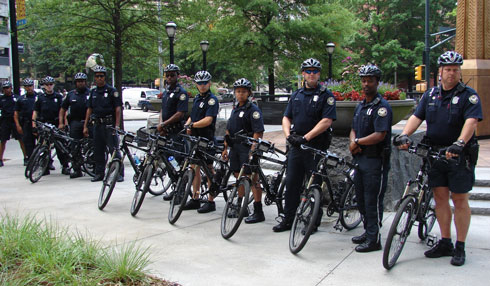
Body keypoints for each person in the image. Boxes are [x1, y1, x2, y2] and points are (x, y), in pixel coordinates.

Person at [394, 51, 482, 266]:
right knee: (440, 198)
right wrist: (404, 134)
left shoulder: (468, 96)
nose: (452, 73)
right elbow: (417, 116)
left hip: (458, 156)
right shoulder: (431, 95)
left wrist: (459, 144)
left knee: (459, 200)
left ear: (459, 72)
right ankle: (445, 242)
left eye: (455, 69)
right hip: (434, 153)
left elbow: (471, 121)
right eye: (448, 69)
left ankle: (460, 246)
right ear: (440, 72)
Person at [275, 58, 336, 232]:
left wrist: (306, 138)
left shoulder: (326, 95)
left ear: (319, 74)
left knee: (314, 185)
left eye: (315, 71)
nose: (311, 74)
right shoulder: (296, 95)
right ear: (303, 73)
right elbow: (287, 117)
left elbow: (327, 121)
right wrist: (289, 136)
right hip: (296, 146)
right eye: (308, 71)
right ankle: (288, 219)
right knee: (292, 184)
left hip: (315, 147)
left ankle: (312, 222)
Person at [349, 64, 392, 252]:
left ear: (377, 82)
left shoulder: (382, 107)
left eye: (370, 81)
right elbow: (353, 128)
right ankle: (368, 232)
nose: (366, 84)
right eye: (364, 80)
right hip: (360, 159)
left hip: (375, 160)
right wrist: (353, 142)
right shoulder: (361, 105)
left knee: (371, 200)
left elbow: (380, 134)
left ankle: (374, 239)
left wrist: (358, 141)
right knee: (360, 199)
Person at [221, 78, 265, 223]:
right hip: (235, 147)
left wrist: (253, 151)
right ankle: (241, 206)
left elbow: (258, 132)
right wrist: (225, 148)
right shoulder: (235, 110)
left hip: (248, 148)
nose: (240, 94)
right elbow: (228, 130)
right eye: (238, 91)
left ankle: (258, 211)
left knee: (252, 179)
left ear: (249, 93)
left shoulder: (253, 110)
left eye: (243, 92)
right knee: (238, 177)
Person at [183, 70, 219, 213]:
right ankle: (195, 197)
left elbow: (208, 120)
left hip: (206, 139)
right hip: (195, 139)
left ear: (209, 83)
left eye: (205, 83)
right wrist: (188, 124)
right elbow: (193, 116)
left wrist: (193, 125)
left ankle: (211, 201)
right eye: (199, 83)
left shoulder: (212, 100)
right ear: (196, 85)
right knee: (194, 168)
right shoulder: (197, 98)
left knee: (208, 169)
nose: (202, 86)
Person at [83, 65, 123, 182]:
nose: (99, 78)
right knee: (98, 151)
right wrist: (85, 125)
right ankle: (99, 173)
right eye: (97, 76)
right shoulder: (93, 92)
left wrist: (116, 125)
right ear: (94, 78)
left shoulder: (112, 91)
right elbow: (89, 109)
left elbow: (118, 109)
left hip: (109, 125)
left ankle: (119, 173)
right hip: (97, 125)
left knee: (114, 150)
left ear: (105, 77)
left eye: (101, 76)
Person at [157, 64, 189, 201]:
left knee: (178, 160)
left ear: (177, 76)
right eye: (167, 75)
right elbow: (162, 111)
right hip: (166, 132)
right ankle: (175, 186)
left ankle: (181, 191)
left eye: (172, 75)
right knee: (168, 159)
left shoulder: (181, 93)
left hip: (176, 132)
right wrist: (160, 124)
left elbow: (180, 113)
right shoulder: (166, 92)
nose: (169, 78)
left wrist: (164, 123)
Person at [32, 76, 69, 175]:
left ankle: (65, 166)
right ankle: (45, 166)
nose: (49, 86)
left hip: (56, 124)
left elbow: (63, 111)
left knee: (60, 146)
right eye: (47, 85)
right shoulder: (40, 98)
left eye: (51, 84)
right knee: (44, 146)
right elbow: (35, 112)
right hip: (44, 124)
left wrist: (64, 123)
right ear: (44, 86)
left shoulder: (58, 97)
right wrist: (34, 124)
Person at [59, 72, 90, 178]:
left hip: (89, 123)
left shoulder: (90, 93)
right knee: (74, 147)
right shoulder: (71, 94)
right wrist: (61, 123)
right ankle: (77, 169)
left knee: (92, 145)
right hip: (75, 123)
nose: (80, 83)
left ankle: (93, 167)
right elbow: (63, 109)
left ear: (85, 82)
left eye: (82, 81)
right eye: (78, 82)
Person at [0, 81, 25, 167]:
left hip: (15, 121)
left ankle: (26, 157)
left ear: (11, 88)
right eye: (4, 88)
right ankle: (0, 159)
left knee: (21, 139)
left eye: (8, 88)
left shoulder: (17, 98)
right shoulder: (1, 99)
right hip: (5, 121)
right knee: (3, 140)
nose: (6, 90)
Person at [14, 78, 39, 165]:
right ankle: (30, 159)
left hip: (38, 124)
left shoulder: (39, 97)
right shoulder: (21, 99)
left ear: (33, 86)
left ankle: (46, 161)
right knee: (28, 143)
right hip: (26, 123)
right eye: (27, 86)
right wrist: (18, 125)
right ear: (24, 88)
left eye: (30, 86)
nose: (29, 88)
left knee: (42, 143)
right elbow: (16, 113)